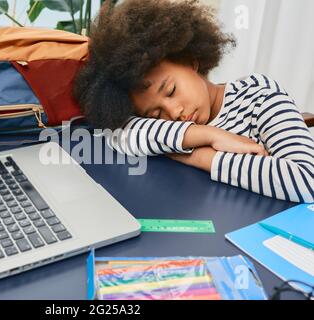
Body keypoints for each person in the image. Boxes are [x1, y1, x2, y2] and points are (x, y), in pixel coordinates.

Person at [73, 0, 314, 203]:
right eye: (156, 114)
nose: (174, 112)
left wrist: (201, 157)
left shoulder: (259, 96)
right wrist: (208, 135)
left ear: (191, 62)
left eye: (170, 91)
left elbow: (307, 180)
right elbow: (118, 134)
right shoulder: (178, 124)